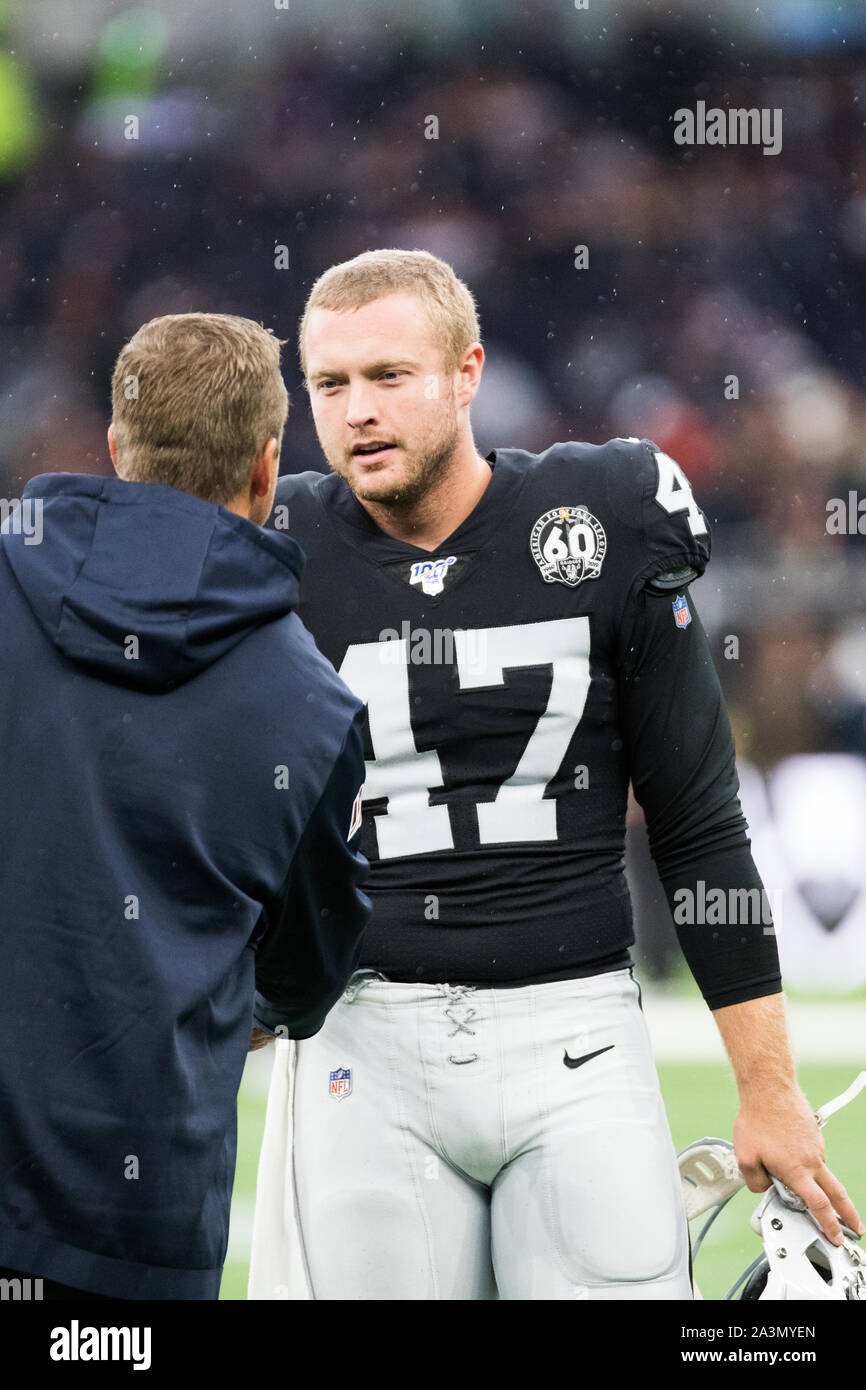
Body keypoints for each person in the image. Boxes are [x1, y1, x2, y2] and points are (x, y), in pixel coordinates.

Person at [248, 250, 863, 1301]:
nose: (356, 410)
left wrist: (767, 1087)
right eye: (330, 385)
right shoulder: (272, 544)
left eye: (388, 375)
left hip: (574, 1033)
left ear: (466, 371)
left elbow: (696, 817)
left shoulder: (603, 516)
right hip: (363, 1038)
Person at [0, 312, 371, 1300]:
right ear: (265, 468)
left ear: (116, 447)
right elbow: (305, 973)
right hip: (134, 1221)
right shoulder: (314, 709)